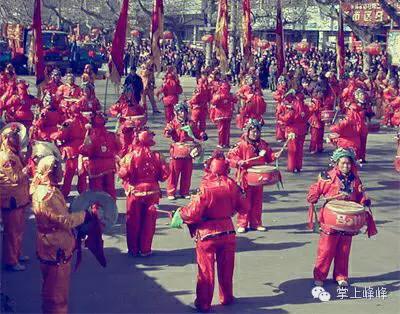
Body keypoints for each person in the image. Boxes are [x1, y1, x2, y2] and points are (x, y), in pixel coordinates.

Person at [170, 150, 249, 313]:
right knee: (227, 268)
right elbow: (244, 208)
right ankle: (226, 297)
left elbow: (193, 213)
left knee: (206, 271)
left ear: (209, 168)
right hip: (228, 231)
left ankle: (204, 303)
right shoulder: (233, 185)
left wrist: (180, 213)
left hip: (207, 234)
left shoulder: (205, 187)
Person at [307, 148, 377, 287]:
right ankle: (320, 276)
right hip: (330, 219)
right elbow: (312, 195)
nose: (346, 166)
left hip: (347, 220)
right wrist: (315, 196)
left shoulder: (355, 179)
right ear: (337, 163)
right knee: (326, 250)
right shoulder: (327, 177)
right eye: (343, 163)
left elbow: (359, 196)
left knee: (344, 250)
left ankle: (341, 275)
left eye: (349, 163)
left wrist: (364, 200)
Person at [30, 155, 88, 313]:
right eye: (59, 169)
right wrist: (84, 214)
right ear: (50, 172)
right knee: (57, 296)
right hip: (55, 248)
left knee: (50, 289)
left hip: (50, 244)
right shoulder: (47, 195)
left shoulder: (45, 189)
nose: (63, 172)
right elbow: (65, 221)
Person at [118, 130, 169, 256]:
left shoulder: (130, 156)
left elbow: (123, 174)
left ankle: (133, 249)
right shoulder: (157, 156)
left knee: (133, 221)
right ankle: (145, 249)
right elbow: (164, 175)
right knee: (149, 222)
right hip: (153, 192)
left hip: (135, 192)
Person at [227, 119, 281, 233]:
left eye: (257, 132)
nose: (255, 134)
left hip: (258, 176)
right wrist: (238, 161)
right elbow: (230, 156)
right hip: (245, 176)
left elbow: (268, 156)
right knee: (244, 200)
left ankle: (256, 223)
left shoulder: (263, 144)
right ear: (247, 132)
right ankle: (242, 223)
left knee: (257, 200)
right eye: (253, 132)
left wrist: (274, 155)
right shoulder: (240, 145)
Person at [0, 126, 30, 271]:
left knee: (18, 230)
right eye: (13, 138)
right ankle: (11, 260)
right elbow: (15, 177)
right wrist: (26, 171)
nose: (17, 140)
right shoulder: (6, 157)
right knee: (12, 232)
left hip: (18, 198)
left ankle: (16, 254)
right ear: (6, 140)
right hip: (11, 199)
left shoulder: (13, 154)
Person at [164, 103, 207, 200]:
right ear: (176, 113)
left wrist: (202, 135)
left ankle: (184, 191)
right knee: (174, 173)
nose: (183, 113)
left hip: (188, 151)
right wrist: (169, 131)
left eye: (184, 111)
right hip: (177, 151)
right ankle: (171, 192)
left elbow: (197, 133)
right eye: (181, 111)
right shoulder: (173, 123)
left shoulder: (191, 123)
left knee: (187, 173)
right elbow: (166, 133)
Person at [79, 112, 120, 199]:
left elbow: (83, 150)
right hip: (110, 166)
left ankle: (96, 211)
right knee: (110, 191)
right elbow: (119, 147)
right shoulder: (112, 135)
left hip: (95, 167)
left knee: (96, 192)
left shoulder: (91, 137)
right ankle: (111, 210)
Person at [52, 105, 88, 198]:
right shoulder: (85, 120)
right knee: (82, 173)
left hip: (71, 150)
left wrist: (53, 135)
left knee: (69, 173)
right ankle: (83, 193)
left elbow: (61, 135)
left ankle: (65, 193)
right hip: (83, 149)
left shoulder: (68, 122)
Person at [280, 89, 310, 173]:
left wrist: (281, 117)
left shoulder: (292, 106)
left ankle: (291, 167)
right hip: (302, 130)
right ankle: (298, 166)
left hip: (292, 130)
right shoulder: (305, 106)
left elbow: (288, 118)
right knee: (300, 149)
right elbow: (308, 116)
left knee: (292, 150)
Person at [210, 82, 237, 148]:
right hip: (226, 115)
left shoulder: (218, 95)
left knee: (222, 130)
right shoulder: (229, 95)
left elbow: (213, 103)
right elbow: (235, 100)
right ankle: (225, 143)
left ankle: (222, 143)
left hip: (221, 115)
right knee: (226, 130)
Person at [308, 88, 325, 154]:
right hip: (315, 120)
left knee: (321, 135)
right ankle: (312, 148)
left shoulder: (321, 100)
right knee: (314, 135)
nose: (321, 94)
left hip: (321, 119)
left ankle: (320, 148)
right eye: (320, 93)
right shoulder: (313, 101)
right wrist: (318, 108)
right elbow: (311, 110)